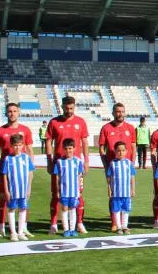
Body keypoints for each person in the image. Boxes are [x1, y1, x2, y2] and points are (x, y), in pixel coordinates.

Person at [46, 96, 89, 235]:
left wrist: (86, 160)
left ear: (74, 107)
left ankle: (79, 223)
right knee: (56, 194)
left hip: (75, 166)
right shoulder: (54, 122)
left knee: (78, 194)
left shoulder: (80, 122)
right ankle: (54, 224)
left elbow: (84, 142)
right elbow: (48, 141)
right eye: (67, 108)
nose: (69, 111)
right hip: (60, 165)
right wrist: (49, 160)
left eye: (71, 108)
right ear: (62, 107)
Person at [0, 102, 34, 238]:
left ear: (19, 112)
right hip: (7, 170)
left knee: (23, 199)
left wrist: (30, 170)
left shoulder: (26, 130)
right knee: (3, 198)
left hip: (21, 170)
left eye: (15, 111)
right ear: (6, 113)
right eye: (9, 111)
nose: (12, 114)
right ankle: (1, 228)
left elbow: (29, 150)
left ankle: (23, 228)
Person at [0, 133, 35, 241]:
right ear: (11, 145)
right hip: (12, 190)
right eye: (15, 145)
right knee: (11, 209)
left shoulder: (26, 158)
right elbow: (5, 175)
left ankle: (20, 232)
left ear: (23, 145)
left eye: (20, 145)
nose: (17, 147)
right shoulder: (7, 159)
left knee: (22, 209)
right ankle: (13, 233)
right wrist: (6, 190)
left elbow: (30, 174)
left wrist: (29, 188)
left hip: (23, 190)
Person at [52, 138, 84, 238]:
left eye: (70, 148)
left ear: (74, 148)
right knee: (64, 209)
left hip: (74, 191)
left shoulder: (78, 161)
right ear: (63, 149)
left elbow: (80, 176)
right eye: (66, 148)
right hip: (64, 191)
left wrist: (80, 189)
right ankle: (66, 229)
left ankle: (72, 229)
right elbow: (57, 177)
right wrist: (57, 190)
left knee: (73, 209)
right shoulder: (59, 162)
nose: (68, 150)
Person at [105, 141, 136, 235]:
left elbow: (132, 177)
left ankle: (124, 226)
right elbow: (109, 178)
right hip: (116, 192)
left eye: (123, 150)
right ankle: (118, 227)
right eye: (118, 150)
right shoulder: (112, 164)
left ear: (126, 151)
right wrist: (109, 189)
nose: (121, 152)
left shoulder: (129, 163)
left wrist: (133, 189)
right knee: (116, 209)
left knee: (126, 209)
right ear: (115, 151)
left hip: (126, 192)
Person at [99, 102, 135, 170]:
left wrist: (132, 164)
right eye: (118, 112)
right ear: (113, 113)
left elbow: (133, 148)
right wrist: (106, 165)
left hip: (127, 166)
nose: (121, 114)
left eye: (122, 112)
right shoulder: (106, 128)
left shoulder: (130, 128)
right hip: (112, 167)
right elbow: (101, 149)